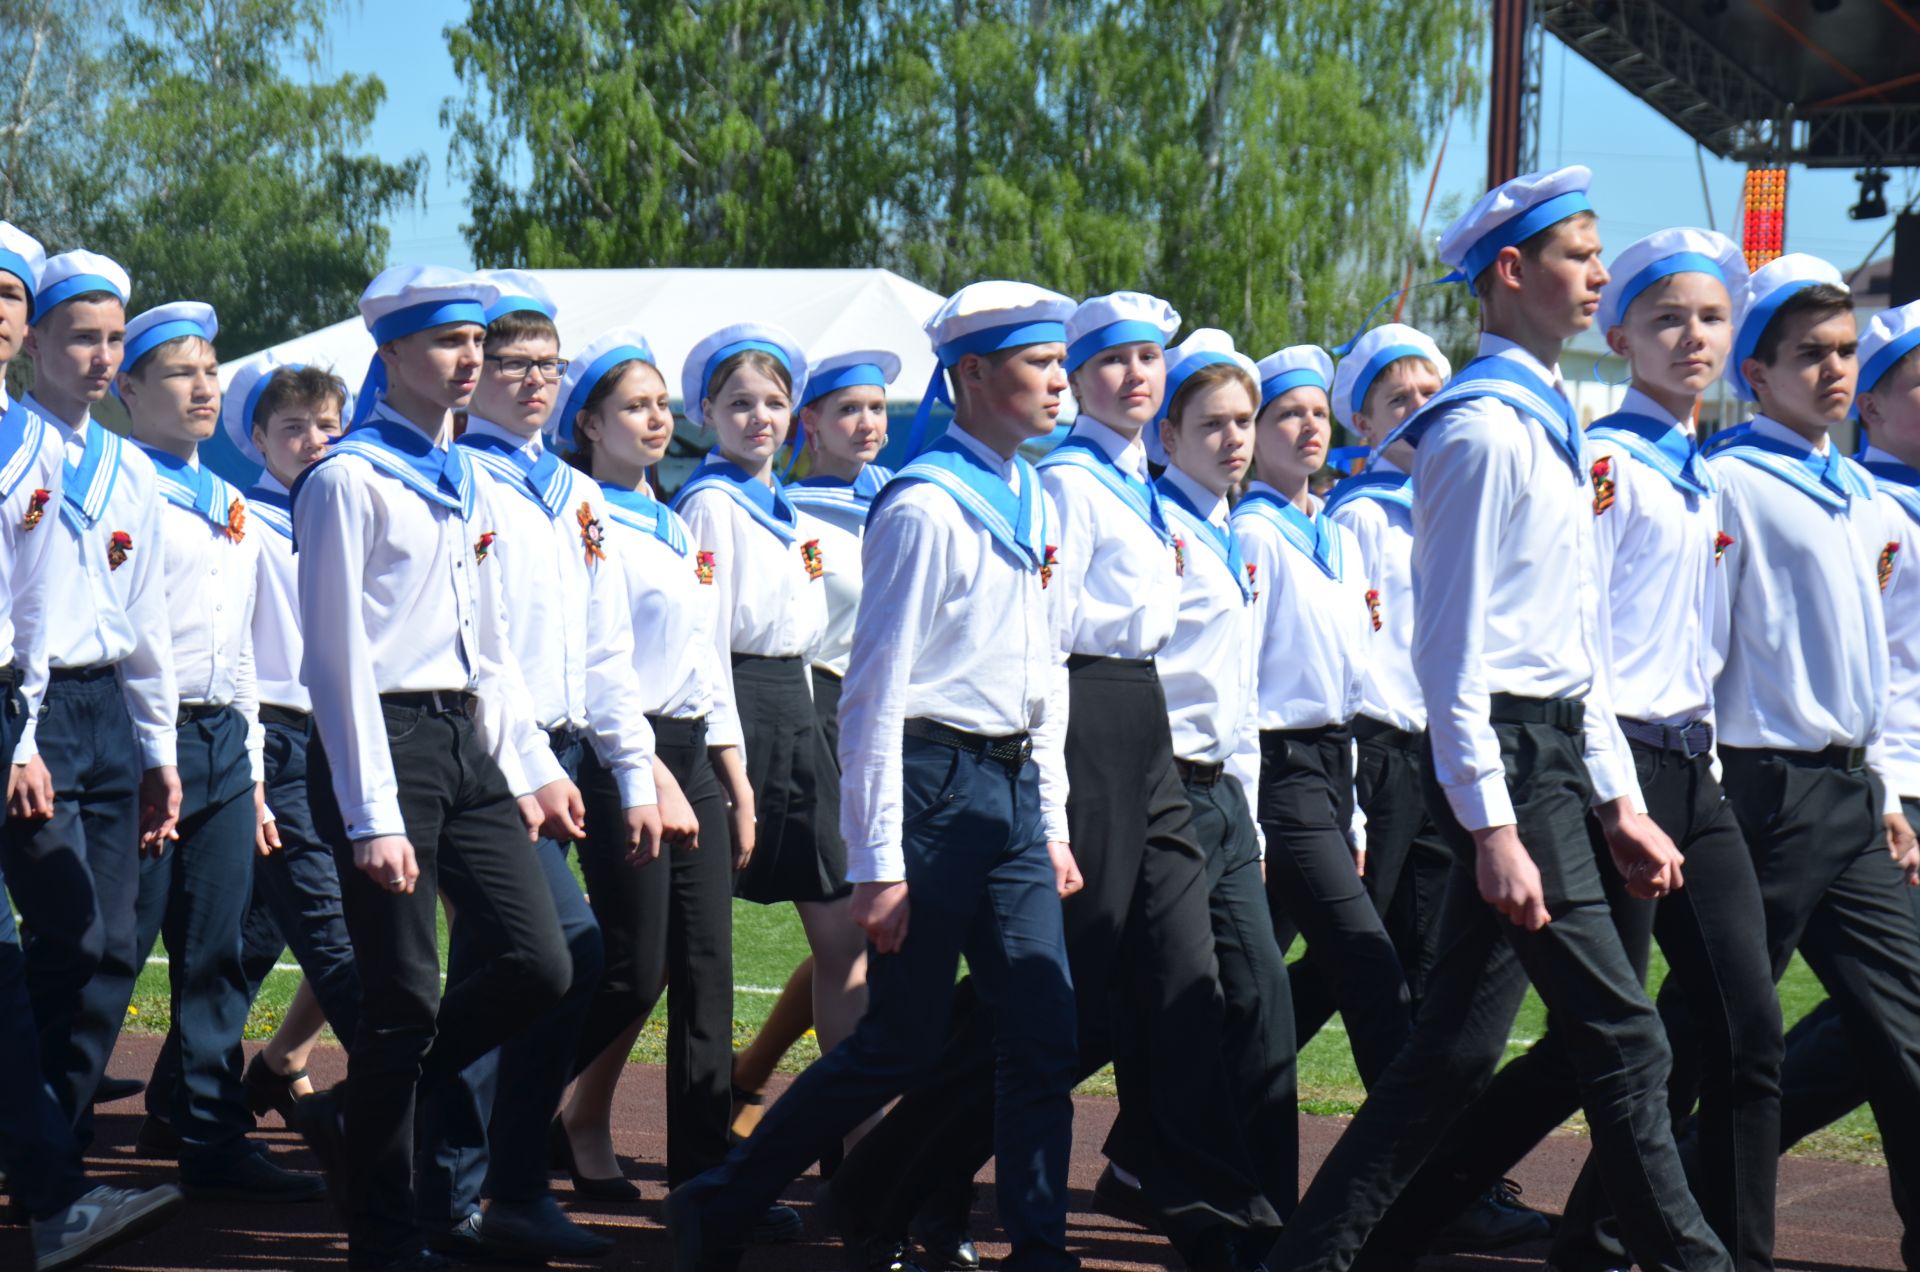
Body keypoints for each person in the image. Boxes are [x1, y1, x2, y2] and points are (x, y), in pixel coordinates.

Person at [1268, 165, 1731, 1272]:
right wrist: (1493, 830)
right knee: (1623, 1040)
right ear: (1512, 272)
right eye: (1579, 255)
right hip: (1512, 766)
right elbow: (1453, 660)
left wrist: (1617, 797)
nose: (1600, 276)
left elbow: (1577, 653)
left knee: (1450, 1062)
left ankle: (1314, 1260)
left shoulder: (1543, 421)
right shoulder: (1480, 431)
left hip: (1556, 754)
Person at [1367, 229, 1785, 1271]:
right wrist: (1518, 811)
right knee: (1614, 1039)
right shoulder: (1558, 447)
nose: (1693, 338)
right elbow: (1488, 646)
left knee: (1539, 1045)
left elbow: (1619, 642)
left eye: (1711, 318)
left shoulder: (1665, 463)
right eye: (1664, 316)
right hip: (1568, 760)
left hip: (1648, 766)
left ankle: (1379, 1244)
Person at [834, 291, 1276, 1272]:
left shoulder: (1137, 479)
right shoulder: (1067, 483)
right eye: (1112, 359)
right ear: (1073, 376)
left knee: (1182, 977)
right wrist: (1057, 807)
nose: (1135, 376)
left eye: (1149, 358)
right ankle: (892, 1184)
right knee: (1044, 1004)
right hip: (1081, 727)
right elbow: (1044, 644)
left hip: (1144, 726)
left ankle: (1216, 1215)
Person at [663, 279, 1083, 1272]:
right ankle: (722, 1199)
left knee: (1045, 1034)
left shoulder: (1032, 493)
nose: (1060, 383)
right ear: (974, 375)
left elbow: (1044, 678)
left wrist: (1052, 820)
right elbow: (873, 695)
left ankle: (1039, 1245)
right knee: (899, 1040)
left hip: (1015, 792)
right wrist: (880, 860)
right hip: (935, 788)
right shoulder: (927, 504)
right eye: (1041, 364)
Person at [289, 265, 583, 1271]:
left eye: (476, 343)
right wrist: (370, 814)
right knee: (405, 998)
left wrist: (534, 764)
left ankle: (360, 1103)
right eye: (449, 344)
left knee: (541, 964)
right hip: (388, 750)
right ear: (393, 357)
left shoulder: (468, 477)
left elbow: (490, 648)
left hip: (469, 744)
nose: (469, 361)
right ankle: (384, 1235)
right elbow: (335, 661)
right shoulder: (347, 478)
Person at [1705, 256, 1920, 1264]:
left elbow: (1865, 658)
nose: (1833, 371)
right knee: (1709, 1029)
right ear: (1756, 372)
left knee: (1906, 1015)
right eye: (1812, 357)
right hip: (1766, 788)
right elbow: (1703, 647)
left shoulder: (1851, 492)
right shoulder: (1732, 480)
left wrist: (1876, 781)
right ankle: (1622, 1212)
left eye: (1844, 352)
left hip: (1850, 788)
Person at [0, 218, 187, 1272]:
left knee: (115, 945)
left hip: (110, 714)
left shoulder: (130, 467)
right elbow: (17, 622)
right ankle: (44, 1170)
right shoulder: (13, 445)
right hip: (32, 718)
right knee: (63, 933)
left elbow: (147, 620)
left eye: (114, 337)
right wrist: (21, 738)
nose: (102, 356)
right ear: (37, 345)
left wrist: (158, 751)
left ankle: (48, 1150)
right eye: (79, 336)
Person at [114, 301, 322, 1201]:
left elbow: (236, 649)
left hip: (225, 746)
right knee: (108, 956)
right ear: (128, 389)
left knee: (216, 953)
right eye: (179, 373)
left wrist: (253, 775)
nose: (205, 386)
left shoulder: (230, 502)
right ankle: (39, 1127)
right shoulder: (119, 483)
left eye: (210, 369)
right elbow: (131, 636)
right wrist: (156, 751)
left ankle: (209, 1133)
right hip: (133, 743)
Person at [549, 328, 757, 1210]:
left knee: (706, 967)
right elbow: (599, 660)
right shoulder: (579, 514)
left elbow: (705, 659)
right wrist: (653, 772)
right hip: (620, 752)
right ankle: (480, 1105)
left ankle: (706, 1177)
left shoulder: (673, 522)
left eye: (663, 404)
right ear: (590, 424)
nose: (657, 419)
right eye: (635, 406)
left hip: (689, 752)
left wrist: (730, 774)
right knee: (632, 966)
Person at [670, 324, 868, 1128]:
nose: (760, 417)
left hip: (798, 707)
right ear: (707, 412)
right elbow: (705, 640)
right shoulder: (710, 502)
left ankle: (851, 1131)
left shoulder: (781, 506)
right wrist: (731, 768)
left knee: (844, 930)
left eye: (775, 403)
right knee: (676, 956)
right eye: (740, 403)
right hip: (735, 710)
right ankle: (580, 1115)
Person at [1769, 300, 1920, 1264]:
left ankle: (1657, 1187)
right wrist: (1897, 794)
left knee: (1878, 1025)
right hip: (1882, 792)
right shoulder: (1872, 508)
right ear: (1871, 403)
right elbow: (1884, 674)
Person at [1142, 327, 1299, 1227]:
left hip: (1224, 799)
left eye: (1245, 422)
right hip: (1160, 793)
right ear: (1168, 437)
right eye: (1213, 425)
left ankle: (1262, 1208)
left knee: (1258, 992)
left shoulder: (1228, 531)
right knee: (1111, 1013)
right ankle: (913, 1173)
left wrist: (1252, 815)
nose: (1235, 439)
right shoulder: (1159, 530)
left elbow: (1238, 696)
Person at [729, 350, 901, 1146]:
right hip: (819, 712)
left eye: (878, 408)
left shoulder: (907, 498)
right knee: (844, 927)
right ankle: (850, 1135)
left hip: (901, 721)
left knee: (864, 932)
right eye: (848, 410)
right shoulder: (788, 510)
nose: (868, 423)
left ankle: (755, 1079)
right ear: (812, 424)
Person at [1232, 342, 1412, 1093]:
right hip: (1278, 772)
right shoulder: (1251, 531)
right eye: (1286, 414)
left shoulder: (1333, 534)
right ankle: (1412, 1172)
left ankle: (1150, 1152)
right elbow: (1240, 676)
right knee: (1367, 966)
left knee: (1252, 985)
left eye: (1316, 413)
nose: (1308, 427)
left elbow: (1351, 667)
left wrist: (1356, 813)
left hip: (1335, 770)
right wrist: (1251, 817)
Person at [223, 356, 361, 1112]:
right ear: (259, 438)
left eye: (328, 425)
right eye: (294, 427)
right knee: (327, 924)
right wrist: (256, 773)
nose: (314, 440)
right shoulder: (252, 524)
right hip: (275, 733)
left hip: (334, 733)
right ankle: (395, 1092)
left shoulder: (337, 512)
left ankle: (191, 1099)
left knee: (255, 936)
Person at [1318, 323, 1454, 1026]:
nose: (1421, 407)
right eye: (1399, 400)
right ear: (1363, 423)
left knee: (1427, 960)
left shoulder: (1450, 503)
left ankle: (1416, 1129)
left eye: (1433, 392)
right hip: (1375, 750)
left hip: (1437, 754)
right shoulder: (1362, 514)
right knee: (1349, 959)